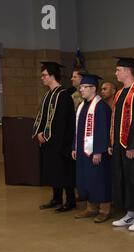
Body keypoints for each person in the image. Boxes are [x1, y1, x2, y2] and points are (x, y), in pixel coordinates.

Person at [110, 57, 134, 231]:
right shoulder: (119, 93)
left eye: (118, 70)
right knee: (124, 178)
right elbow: (115, 120)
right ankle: (130, 213)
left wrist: (133, 145)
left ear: (127, 71)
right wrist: (111, 141)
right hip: (119, 144)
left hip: (132, 146)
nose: (116, 73)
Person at [33, 61, 76, 212]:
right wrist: (39, 133)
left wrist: (47, 135)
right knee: (54, 170)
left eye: (44, 75)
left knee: (65, 171)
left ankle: (70, 201)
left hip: (62, 142)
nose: (42, 78)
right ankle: (56, 198)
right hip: (50, 141)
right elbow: (42, 117)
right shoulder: (48, 95)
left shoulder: (63, 96)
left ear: (52, 76)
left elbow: (62, 122)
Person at [72, 74, 112, 223]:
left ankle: (104, 209)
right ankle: (91, 208)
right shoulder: (82, 106)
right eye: (80, 87)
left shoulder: (101, 107)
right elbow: (77, 129)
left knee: (100, 180)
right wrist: (74, 146)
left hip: (96, 152)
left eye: (84, 87)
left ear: (93, 88)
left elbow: (104, 131)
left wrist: (99, 150)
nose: (81, 90)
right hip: (83, 151)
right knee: (87, 179)